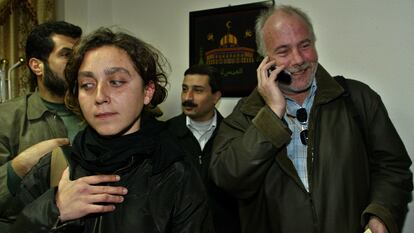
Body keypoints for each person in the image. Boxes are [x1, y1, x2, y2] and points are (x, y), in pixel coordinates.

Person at [209, 5, 412, 233]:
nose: (298, 59)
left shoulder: (358, 99)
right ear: (265, 60)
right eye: (284, 51)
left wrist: (381, 214)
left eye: (304, 45)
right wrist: (272, 115)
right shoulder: (246, 114)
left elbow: (394, 169)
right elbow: (228, 179)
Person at [10, 27, 213, 233]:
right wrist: (54, 210)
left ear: (147, 92)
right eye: (87, 85)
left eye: (116, 82)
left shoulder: (175, 173)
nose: (99, 96)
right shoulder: (56, 166)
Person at [0, 21, 83, 227]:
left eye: (79, 55)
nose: (77, 63)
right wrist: (21, 165)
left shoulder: (100, 111)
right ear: (37, 66)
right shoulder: (6, 118)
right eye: (66, 55)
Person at [167, 64, 241, 233]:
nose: (188, 97)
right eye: (185, 89)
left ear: (216, 97)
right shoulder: (165, 135)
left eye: (198, 90)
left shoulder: (234, 135)